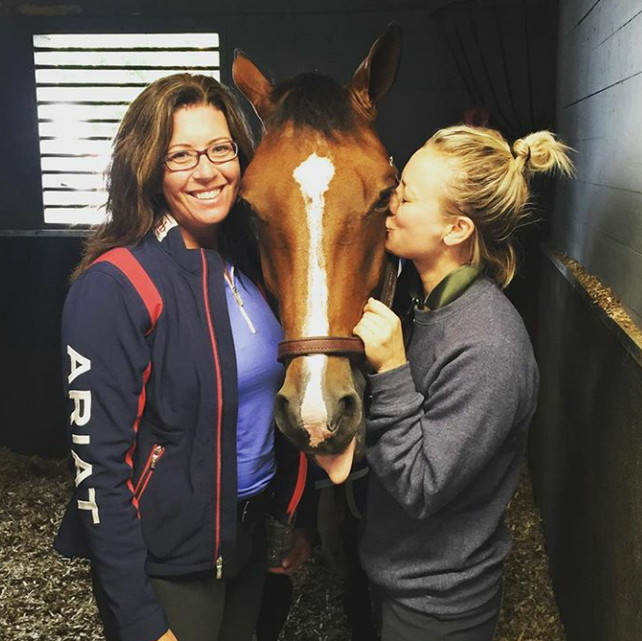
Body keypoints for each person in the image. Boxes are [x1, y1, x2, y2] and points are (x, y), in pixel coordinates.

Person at [54, 73, 310, 641]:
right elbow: (98, 474)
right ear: (147, 168)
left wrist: (295, 514)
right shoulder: (115, 286)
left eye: (221, 149)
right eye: (181, 156)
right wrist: (142, 621)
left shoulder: (247, 269)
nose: (207, 170)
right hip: (169, 564)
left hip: (244, 543)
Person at [353, 125, 573, 641]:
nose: (392, 204)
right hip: (399, 579)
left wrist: (389, 371)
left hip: (438, 609)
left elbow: (422, 486)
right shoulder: (426, 305)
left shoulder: (489, 345)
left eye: (406, 195)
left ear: (455, 230)